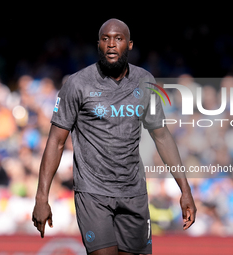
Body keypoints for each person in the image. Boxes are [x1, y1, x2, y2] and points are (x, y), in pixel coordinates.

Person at [32, 18, 196, 255]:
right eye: (105, 39)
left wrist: (185, 189)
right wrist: (41, 197)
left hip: (134, 192)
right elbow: (56, 142)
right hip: (93, 193)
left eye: (118, 39)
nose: (111, 44)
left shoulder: (145, 81)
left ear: (129, 45)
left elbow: (161, 136)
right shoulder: (77, 84)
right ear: (98, 44)